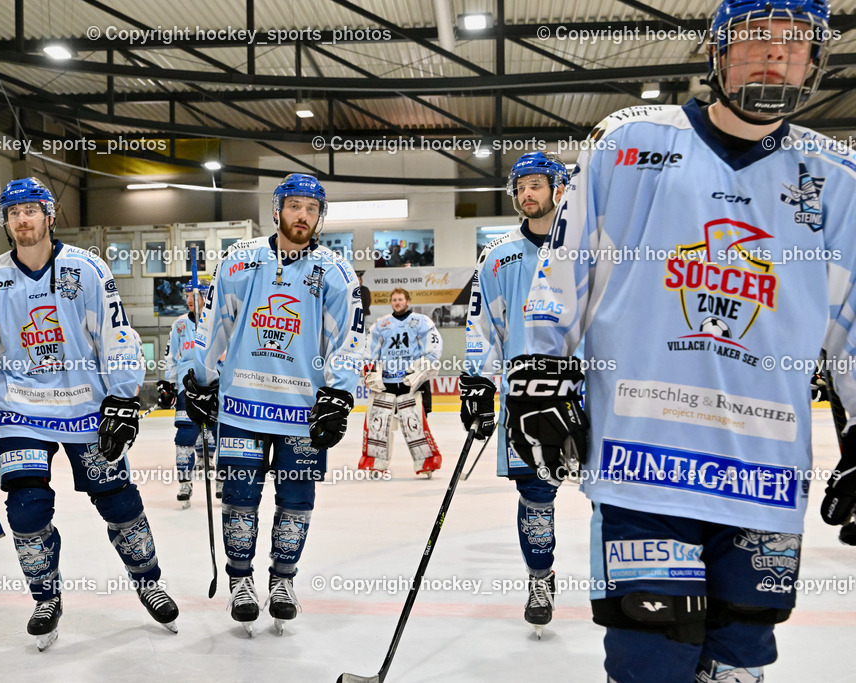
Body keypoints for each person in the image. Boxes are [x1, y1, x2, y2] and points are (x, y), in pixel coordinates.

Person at [509, 2, 856, 680]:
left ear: (815, 62)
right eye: (755, 38)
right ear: (717, 52)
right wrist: (539, 370)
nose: (773, 54)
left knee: (741, 662)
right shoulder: (627, 143)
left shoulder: (838, 177)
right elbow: (563, 266)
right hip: (645, 462)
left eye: (793, 43)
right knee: (650, 656)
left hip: (765, 472)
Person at [0, 177, 178, 651]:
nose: (22, 220)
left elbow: (117, 336)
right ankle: (45, 597)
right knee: (27, 510)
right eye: (14, 213)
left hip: (85, 409)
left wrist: (122, 398)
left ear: (50, 216)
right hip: (22, 409)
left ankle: (148, 580)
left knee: (118, 502)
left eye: (32, 211)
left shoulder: (88, 270)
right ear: (6, 222)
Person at [183, 173, 364, 634]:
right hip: (242, 405)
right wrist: (200, 381)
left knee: (297, 498)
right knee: (241, 497)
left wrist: (339, 394)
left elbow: (349, 338)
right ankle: (241, 582)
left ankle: (282, 580)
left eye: (311, 208)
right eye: (295, 205)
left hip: (302, 412)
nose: (302, 215)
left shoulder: (336, 271)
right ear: (278, 209)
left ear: (320, 216)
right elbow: (213, 327)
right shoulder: (240, 261)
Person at [459, 151, 569, 636]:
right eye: (521, 186)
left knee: (614, 495)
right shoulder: (499, 256)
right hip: (530, 399)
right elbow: (482, 326)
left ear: (559, 189)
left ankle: (625, 581)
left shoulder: (589, 247)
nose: (528, 193)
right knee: (536, 495)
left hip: (592, 393)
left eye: (537, 184)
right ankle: (540, 579)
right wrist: (478, 382)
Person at [360, 287, 443, 477]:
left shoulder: (422, 322)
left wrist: (423, 366)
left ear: (408, 301)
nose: (397, 302)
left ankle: (426, 463)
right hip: (387, 383)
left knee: (415, 424)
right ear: (391, 302)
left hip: (410, 382)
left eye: (400, 299)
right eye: (394, 299)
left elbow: (433, 346)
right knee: (378, 424)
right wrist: (369, 369)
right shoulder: (382, 324)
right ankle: (376, 463)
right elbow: (370, 349)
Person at [157, 281, 217, 508]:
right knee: (184, 436)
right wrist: (167, 385)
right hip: (187, 385)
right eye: (186, 295)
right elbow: (172, 356)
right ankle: (185, 482)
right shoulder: (180, 325)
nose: (189, 300)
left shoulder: (217, 321)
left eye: (193, 295)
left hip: (214, 383)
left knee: (217, 431)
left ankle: (220, 477)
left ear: (205, 296)